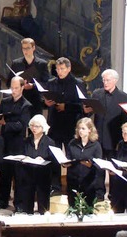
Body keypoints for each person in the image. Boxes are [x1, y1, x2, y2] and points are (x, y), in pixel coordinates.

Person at [45, 57, 86, 194]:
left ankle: (72, 186)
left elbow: (82, 106)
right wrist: (47, 103)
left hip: (70, 126)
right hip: (55, 124)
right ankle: (54, 186)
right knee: (54, 156)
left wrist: (66, 106)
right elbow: (44, 100)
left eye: (62, 69)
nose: (60, 71)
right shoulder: (52, 83)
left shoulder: (78, 83)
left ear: (69, 69)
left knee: (71, 157)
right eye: (58, 69)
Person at [0, 76, 32, 210]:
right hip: (5, 142)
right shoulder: (5, 101)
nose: (13, 90)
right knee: (4, 174)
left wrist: (6, 123)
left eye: (16, 88)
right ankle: (3, 200)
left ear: (23, 88)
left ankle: (19, 203)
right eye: (12, 87)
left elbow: (22, 125)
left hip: (18, 144)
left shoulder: (26, 105)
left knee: (18, 176)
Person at [83, 69, 127, 158]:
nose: (105, 83)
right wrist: (86, 112)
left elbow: (125, 121)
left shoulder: (124, 97)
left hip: (113, 139)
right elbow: (89, 113)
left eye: (108, 80)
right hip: (97, 138)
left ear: (115, 80)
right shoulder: (97, 94)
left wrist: (123, 140)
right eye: (104, 80)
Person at [15, 114, 56, 214]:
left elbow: (53, 161)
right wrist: (25, 158)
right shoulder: (26, 141)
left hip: (43, 175)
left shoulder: (50, 142)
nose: (34, 128)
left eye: (37, 126)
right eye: (32, 125)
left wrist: (43, 159)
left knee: (43, 205)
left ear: (43, 127)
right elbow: (21, 155)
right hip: (28, 175)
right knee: (27, 204)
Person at [63, 117, 104, 207]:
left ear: (90, 130)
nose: (80, 131)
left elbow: (99, 163)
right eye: (79, 128)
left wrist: (91, 164)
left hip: (89, 182)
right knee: (72, 208)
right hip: (73, 180)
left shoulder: (96, 145)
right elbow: (68, 158)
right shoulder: (72, 143)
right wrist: (66, 163)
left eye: (83, 128)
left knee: (88, 209)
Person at [9, 38, 51, 115]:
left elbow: (46, 83)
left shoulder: (41, 64)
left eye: (28, 48)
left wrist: (33, 86)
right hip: (19, 100)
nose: (25, 51)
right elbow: (9, 82)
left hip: (35, 101)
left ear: (33, 48)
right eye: (23, 48)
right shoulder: (16, 64)